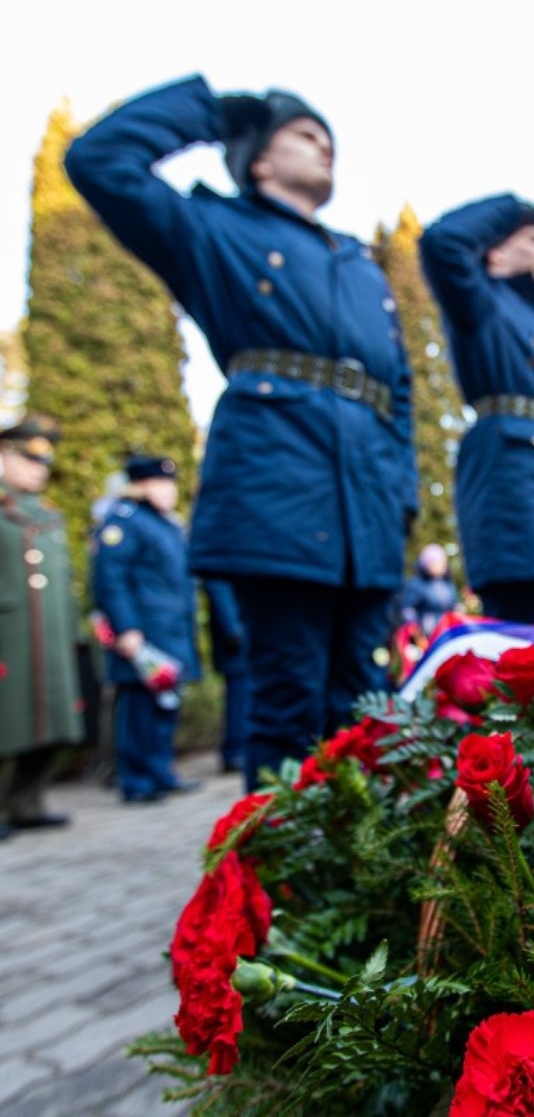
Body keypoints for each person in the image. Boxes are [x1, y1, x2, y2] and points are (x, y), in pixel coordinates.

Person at [66, 76, 419, 789]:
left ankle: (360, 884)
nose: (325, 148)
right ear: (257, 158)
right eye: (304, 134)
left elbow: (400, 391)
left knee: (363, 704)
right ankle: (288, 888)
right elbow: (99, 161)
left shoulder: (359, 264)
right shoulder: (217, 231)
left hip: (369, 502)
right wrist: (212, 112)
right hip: (279, 486)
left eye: (331, 141)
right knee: (287, 703)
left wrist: (403, 495)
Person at [419, 194, 534, 624]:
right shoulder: (481, 301)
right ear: (497, 249)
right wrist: (515, 208)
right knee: (525, 634)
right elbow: (442, 242)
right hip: (516, 495)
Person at [92, 455, 200, 803]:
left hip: (169, 630)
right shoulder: (123, 521)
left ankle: (160, 771)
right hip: (143, 632)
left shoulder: (164, 524)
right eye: (159, 483)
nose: (168, 490)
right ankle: (136, 780)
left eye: (169, 483)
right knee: (139, 707)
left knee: (164, 706)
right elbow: (112, 580)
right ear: (138, 486)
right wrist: (126, 628)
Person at [0, 416, 83, 837]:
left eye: (44, 461)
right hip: (9, 640)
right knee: (8, 722)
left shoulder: (48, 516)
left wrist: (74, 635)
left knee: (51, 722)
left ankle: (27, 802)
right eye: (29, 459)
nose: (39, 469)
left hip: (47, 640)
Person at [203, 578, 250, 775]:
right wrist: (234, 629)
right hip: (237, 639)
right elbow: (218, 584)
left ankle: (240, 749)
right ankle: (235, 751)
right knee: (239, 695)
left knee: (245, 695)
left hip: (245, 630)